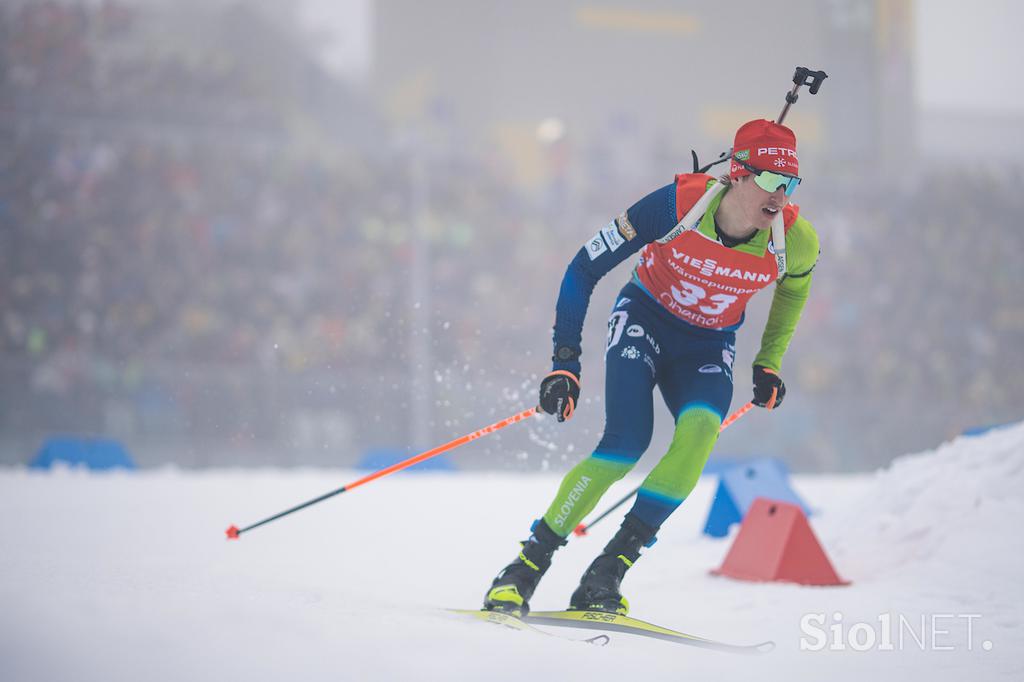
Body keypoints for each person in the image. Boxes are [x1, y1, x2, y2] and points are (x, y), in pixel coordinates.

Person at [483, 119, 820, 616]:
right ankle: (524, 569)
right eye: (771, 181)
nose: (781, 197)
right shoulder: (678, 204)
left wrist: (768, 362)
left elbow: (793, 293)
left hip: (707, 345)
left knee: (701, 429)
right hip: (644, 319)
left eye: (790, 185)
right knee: (625, 446)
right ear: (739, 174)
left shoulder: (795, 240)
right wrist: (564, 364)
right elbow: (584, 267)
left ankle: (606, 573)